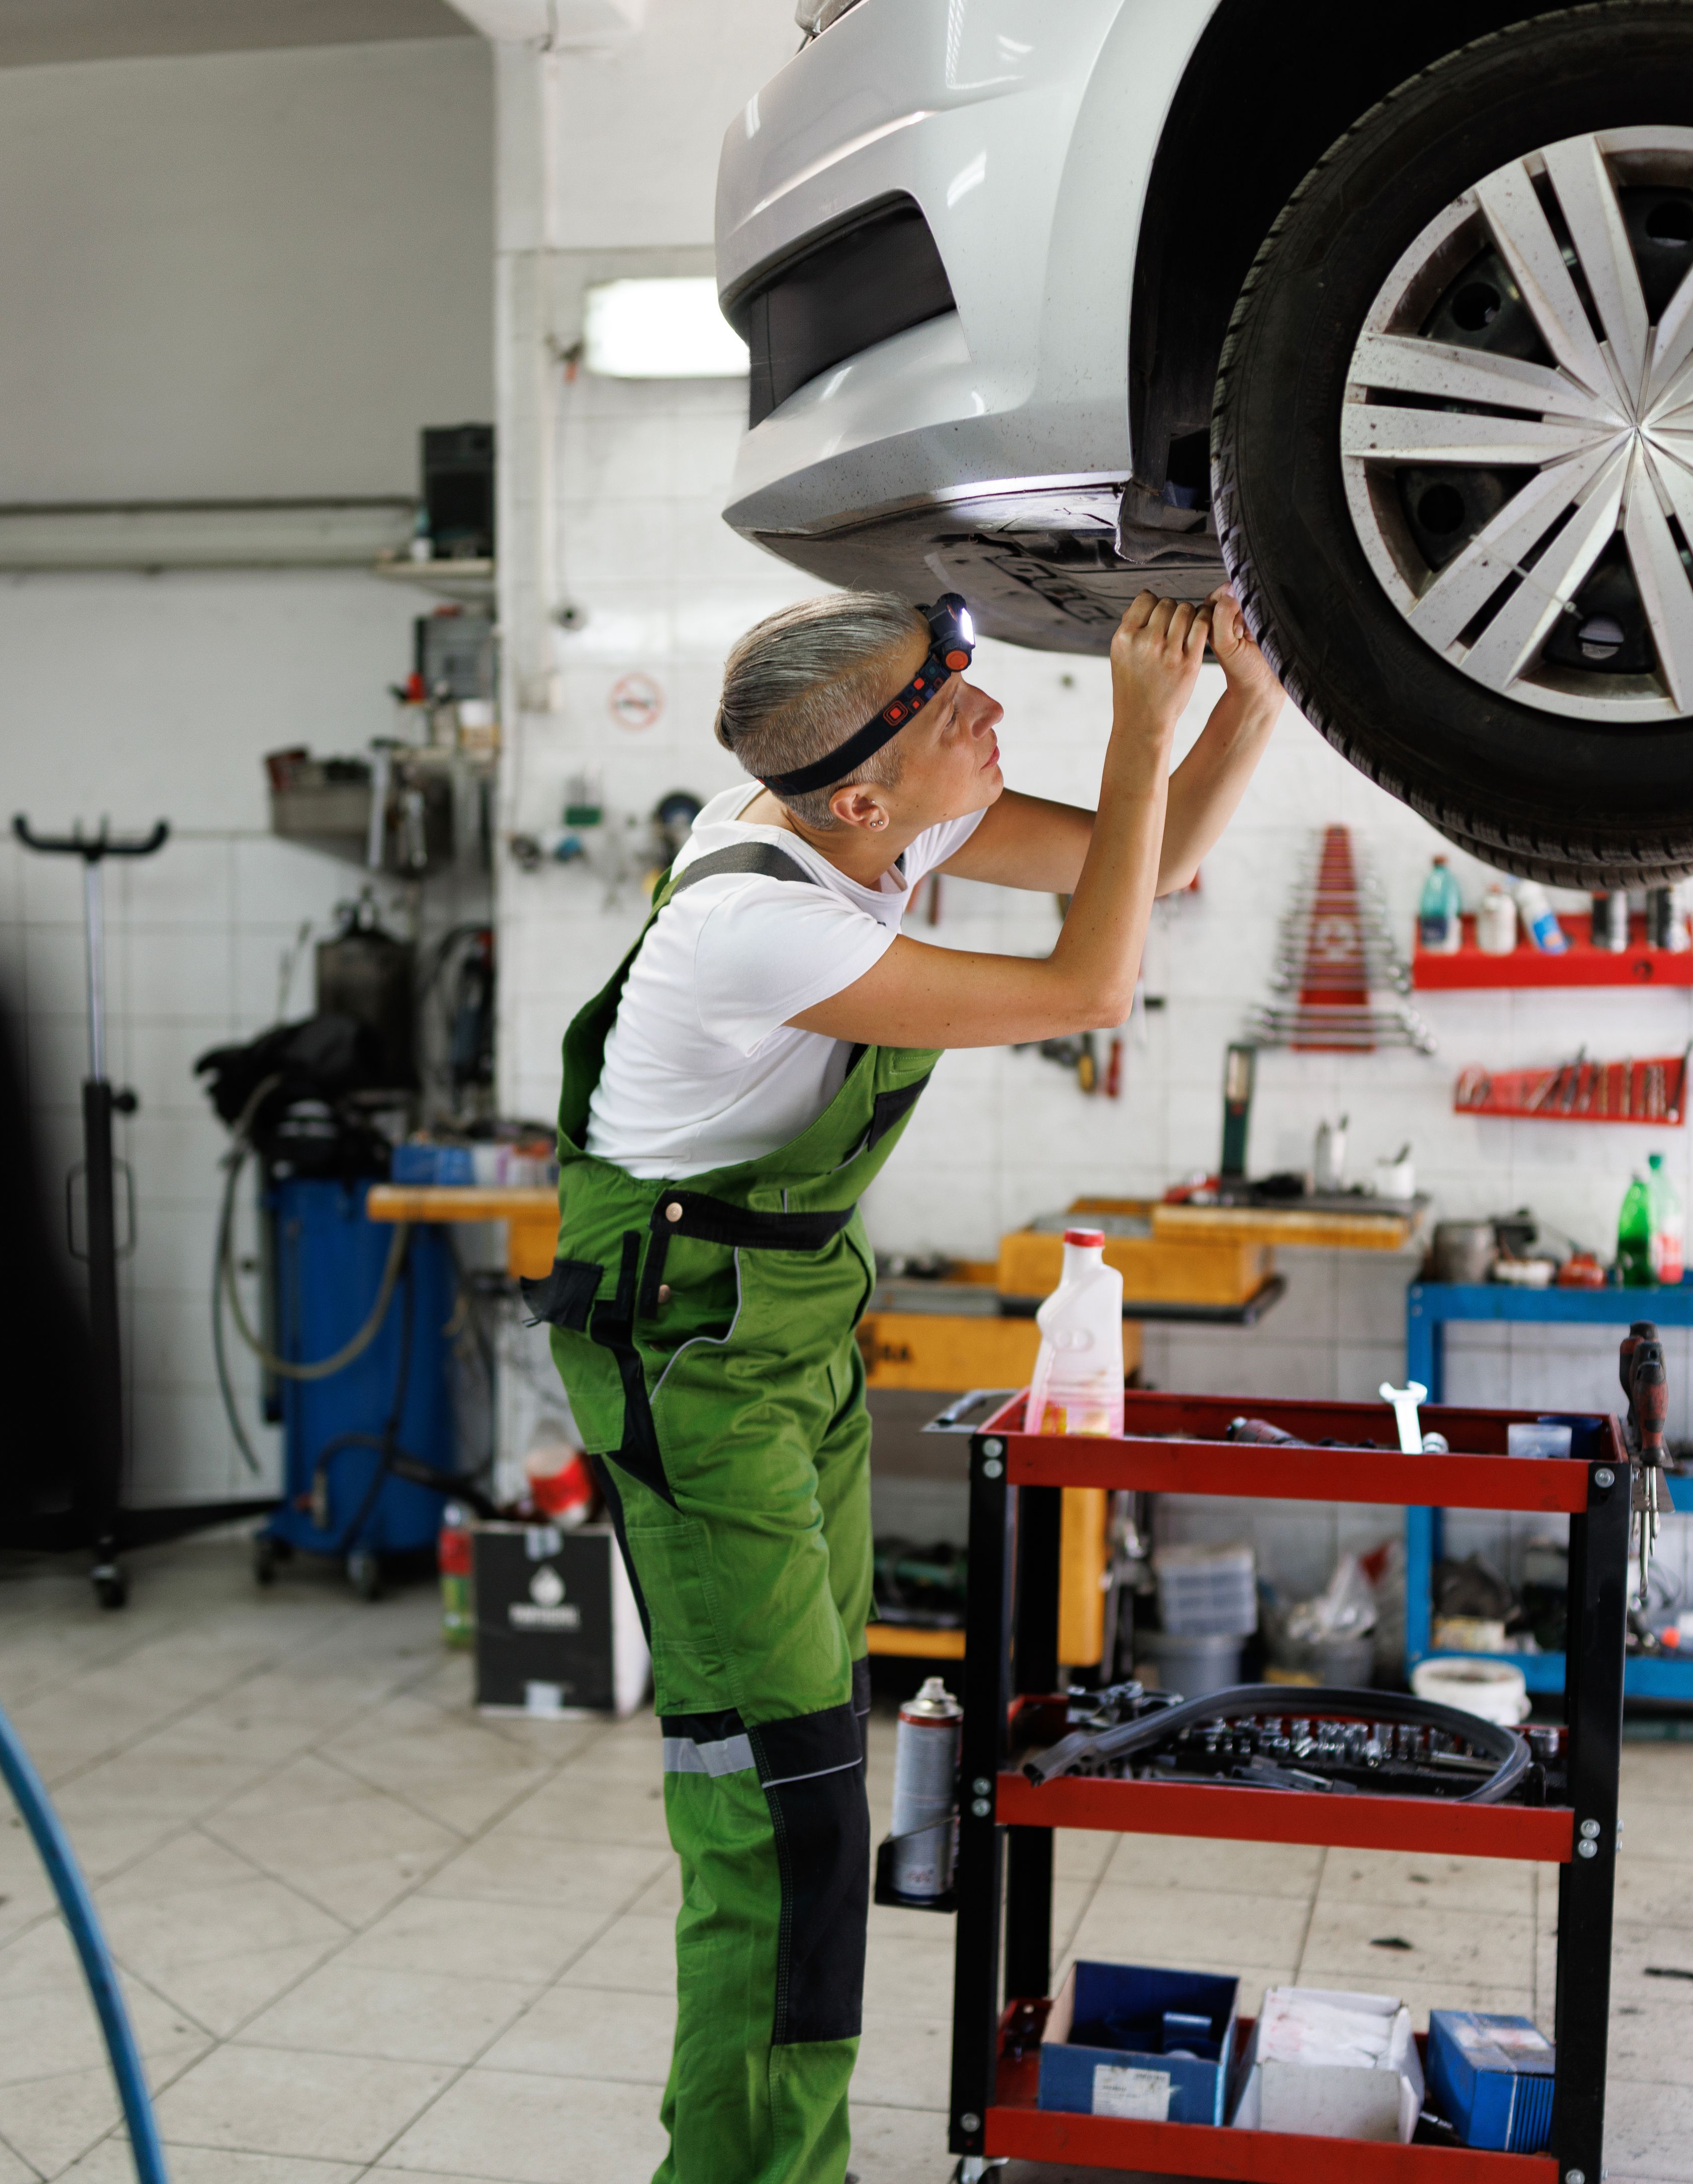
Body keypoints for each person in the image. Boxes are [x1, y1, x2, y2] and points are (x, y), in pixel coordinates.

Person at [531, 585, 1279, 2183]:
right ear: (862, 794)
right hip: (690, 1350)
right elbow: (1092, 987)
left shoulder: (874, 832)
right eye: (954, 705)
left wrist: (1249, 707)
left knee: (823, 1767)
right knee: (780, 1813)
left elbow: (1154, 870)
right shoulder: (766, 920)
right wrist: (1146, 722)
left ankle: (787, 2157)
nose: (990, 715)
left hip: (786, 1327)